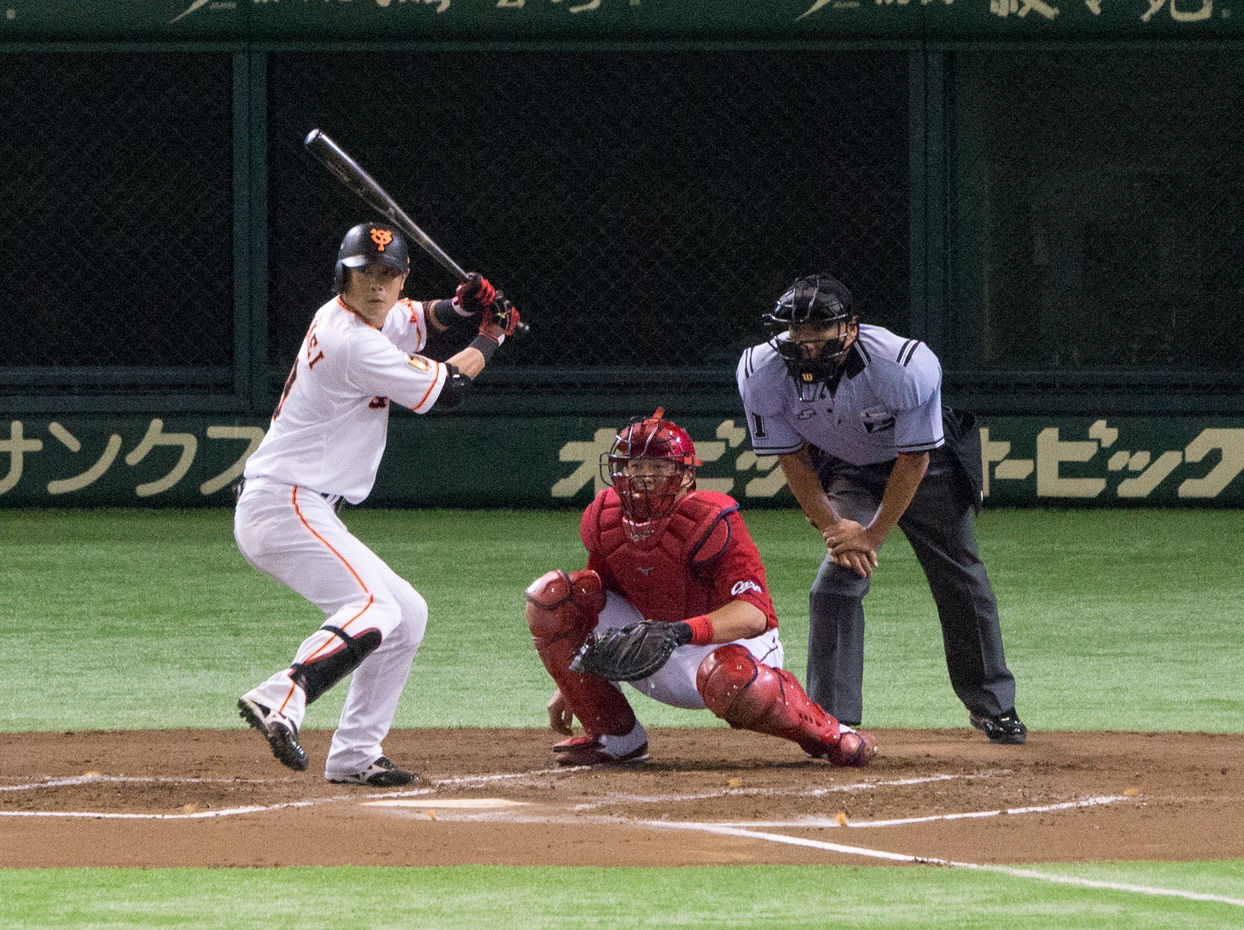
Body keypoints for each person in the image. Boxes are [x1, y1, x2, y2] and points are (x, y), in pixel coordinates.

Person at [234, 221, 520, 785]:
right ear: (343, 277)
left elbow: (418, 319)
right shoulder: (351, 341)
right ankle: (281, 696)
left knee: (406, 615)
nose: (378, 284)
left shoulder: (362, 316)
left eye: (389, 273)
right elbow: (448, 389)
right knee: (374, 606)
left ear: (402, 278)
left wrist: (462, 307)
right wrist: (493, 336)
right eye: (365, 272)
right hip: (284, 502)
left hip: (300, 505)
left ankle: (355, 754)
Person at [735, 273, 1025, 744]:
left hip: (926, 467)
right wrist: (836, 529)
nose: (805, 341)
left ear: (850, 328)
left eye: (819, 329)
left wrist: (870, 535)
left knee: (959, 577)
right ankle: (830, 722)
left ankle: (994, 706)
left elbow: (915, 459)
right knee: (834, 584)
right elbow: (794, 460)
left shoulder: (904, 366)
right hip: (847, 465)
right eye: (796, 330)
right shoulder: (760, 373)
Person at [524, 408, 877, 768]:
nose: (643, 477)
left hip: (732, 649)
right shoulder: (605, 517)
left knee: (731, 680)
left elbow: (754, 614)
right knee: (552, 596)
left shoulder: (711, 519)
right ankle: (615, 737)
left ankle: (830, 734)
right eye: (635, 466)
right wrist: (576, 683)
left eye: (657, 467)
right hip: (653, 646)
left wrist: (680, 631)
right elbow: (592, 606)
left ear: (686, 475)